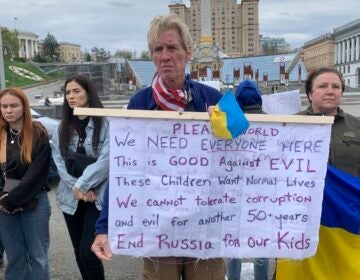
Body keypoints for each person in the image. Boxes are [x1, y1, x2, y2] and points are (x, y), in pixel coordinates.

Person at [91, 14, 226, 279]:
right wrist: (103, 227)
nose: (165, 56)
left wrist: (231, 122)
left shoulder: (214, 98)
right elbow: (122, 171)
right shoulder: (138, 103)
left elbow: (249, 155)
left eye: (172, 47)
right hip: (156, 227)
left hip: (206, 227)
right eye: (157, 49)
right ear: (152, 56)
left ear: (188, 53)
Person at [276, 67, 360, 278]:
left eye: (336, 86)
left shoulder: (357, 127)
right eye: (322, 86)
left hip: (345, 222)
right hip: (299, 219)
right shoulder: (288, 126)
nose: (330, 91)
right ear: (310, 93)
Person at [51, 75, 109, 280]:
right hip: (71, 196)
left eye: (76, 91)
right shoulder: (62, 127)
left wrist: (84, 185)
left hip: (98, 196)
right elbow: (59, 161)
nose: (71, 96)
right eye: (67, 92)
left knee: (89, 253)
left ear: (88, 92)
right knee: (78, 253)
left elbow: (107, 160)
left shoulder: (106, 123)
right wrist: (77, 187)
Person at [0, 87, 52, 280]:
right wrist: (4, 200)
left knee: (38, 257)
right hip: (3, 204)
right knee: (15, 257)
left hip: (34, 202)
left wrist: (10, 200)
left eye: (13, 105)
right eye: (4, 106)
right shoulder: (1, 135)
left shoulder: (38, 133)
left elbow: (35, 175)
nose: (8, 110)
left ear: (24, 107)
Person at [226, 80, 269, 280]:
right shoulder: (272, 123)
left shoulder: (231, 123)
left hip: (233, 195)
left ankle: (233, 277)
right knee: (261, 242)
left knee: (233, 242)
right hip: (264, 195)